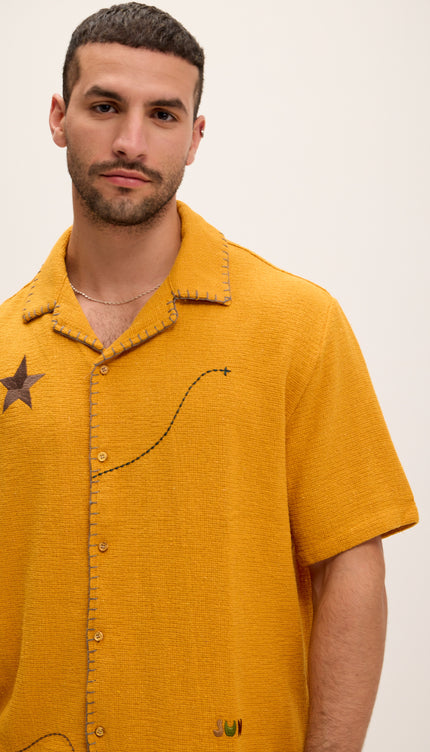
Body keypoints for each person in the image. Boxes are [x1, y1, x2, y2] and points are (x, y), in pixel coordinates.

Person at [0, 3, 418, 752]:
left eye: (162, 114)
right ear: (59, 118)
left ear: (195, 137)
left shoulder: (297, 324)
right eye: (105, 106)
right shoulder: (5, 345)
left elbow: (351, 571)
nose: (131, 142)